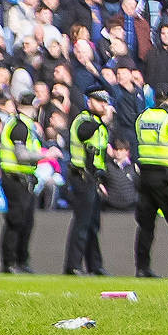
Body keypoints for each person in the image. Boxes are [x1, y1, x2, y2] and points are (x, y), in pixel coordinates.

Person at [135, 83, 168, 277]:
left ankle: (142, 268)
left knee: (146, 225)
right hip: (165, 180)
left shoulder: (142, 118)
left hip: (144, 179)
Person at [64, 87, 111, 275]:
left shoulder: (98, 123)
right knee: (82, 223)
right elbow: (83, 134)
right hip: (82, 177)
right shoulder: (83, 120)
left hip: (93, 179)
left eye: (105, 102)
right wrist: (102, 123)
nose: (104, 106)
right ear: (89, 102)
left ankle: (95, 266)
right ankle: (73, 265)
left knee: (92, 225)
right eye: (100, 102)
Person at [0, 95, 41, 272]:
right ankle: (9, 262)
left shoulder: (25, 125)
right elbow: (21, 155)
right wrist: (46, 155)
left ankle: (22, 261)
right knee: (16, 221)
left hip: (24, 178)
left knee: (26, 222)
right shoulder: (19, 126)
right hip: (15, 178)